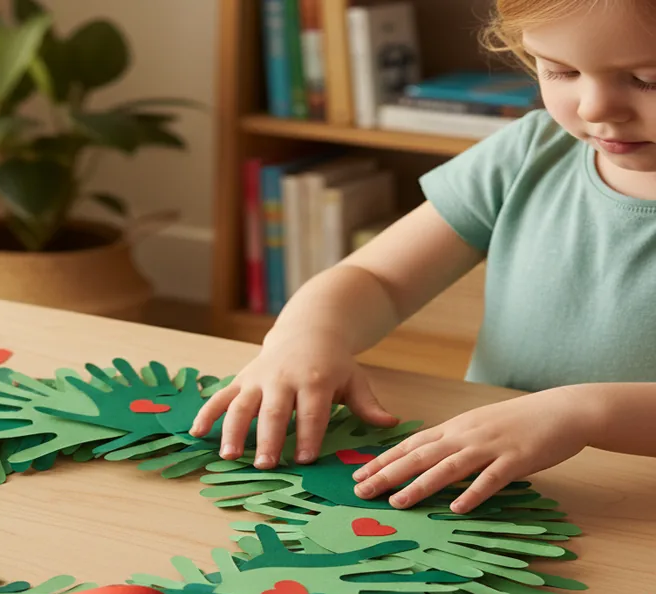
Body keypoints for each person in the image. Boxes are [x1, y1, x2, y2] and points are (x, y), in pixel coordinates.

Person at [190, 0, 656, 515]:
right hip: (491, 486)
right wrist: (305, 337)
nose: (593, 107)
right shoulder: (530, 153)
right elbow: (376, 278)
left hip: (635, 506)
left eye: (646, 79)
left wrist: (583, 412)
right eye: (561, 70)